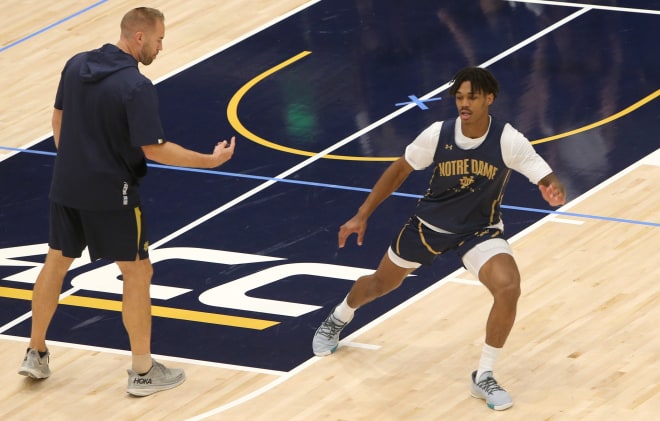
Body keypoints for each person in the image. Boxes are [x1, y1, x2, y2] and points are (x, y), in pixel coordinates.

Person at [312, 66, 566, 411]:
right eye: (460, 97)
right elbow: (399, 169)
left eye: (472, 97)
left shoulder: (508, 140)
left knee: (508, 286)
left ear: (489, 98)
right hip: (427, 228)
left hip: (478, 232)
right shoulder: (438, 134)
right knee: (377, 286)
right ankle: (339, 316)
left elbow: (545, 175)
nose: (464, 103)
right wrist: (362, 214)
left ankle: (484, 376)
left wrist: (553, 190)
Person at [18, 7, 236, 397]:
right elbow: (154, 149)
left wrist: (73, 163)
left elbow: (57, 119)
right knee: (137, 274)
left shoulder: (75, 64)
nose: (161, 46)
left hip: (66, 186)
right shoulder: (136, 87)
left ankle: (35, 351)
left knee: (55, 263)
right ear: (139, 38)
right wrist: (209, 160)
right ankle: (142, 371)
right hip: (113, 195)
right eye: (159, 39)